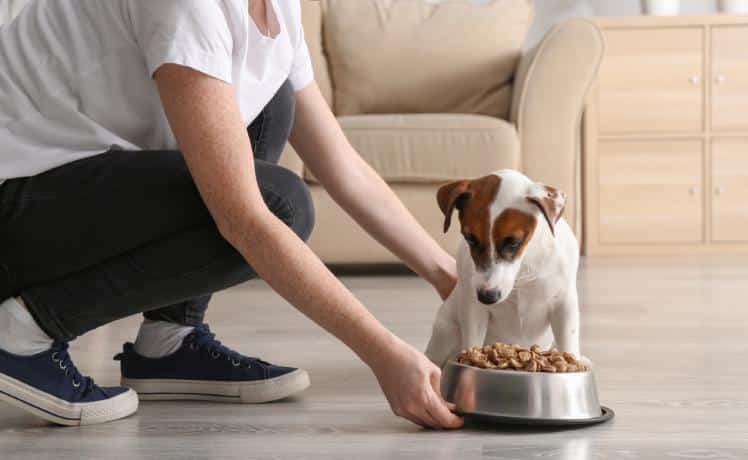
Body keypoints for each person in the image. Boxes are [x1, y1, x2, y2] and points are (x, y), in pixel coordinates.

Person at [0, 0, 464, 429]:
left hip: (65, 181)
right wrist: (383, 354)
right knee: (282, 206)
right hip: (15, 198)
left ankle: (170, 341)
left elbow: (342, 167)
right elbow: (243, 219)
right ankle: (19, 335)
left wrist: (449, 276)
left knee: (272, 98)